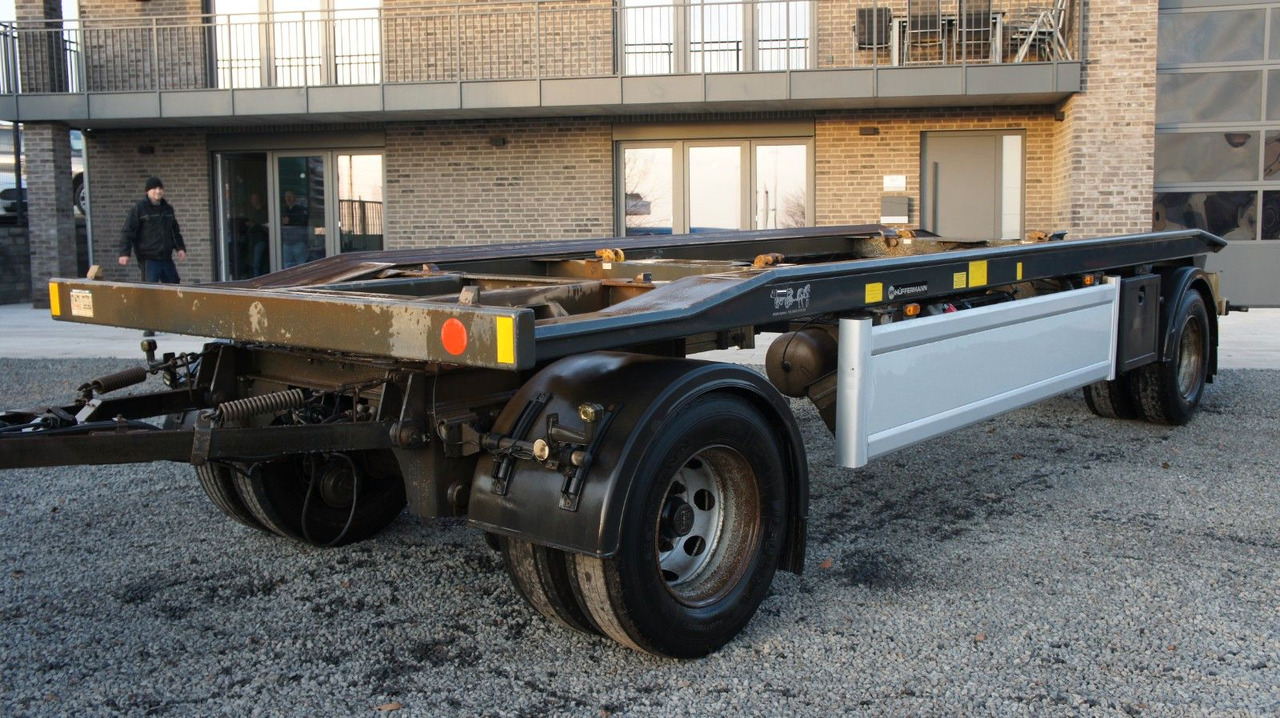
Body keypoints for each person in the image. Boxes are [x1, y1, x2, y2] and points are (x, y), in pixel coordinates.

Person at [118, 176, 186, 336]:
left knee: (174, 286)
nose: (158, 191)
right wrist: (124, 253)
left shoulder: (167, 209)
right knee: (149, 291)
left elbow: (174, 231)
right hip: (149, 258)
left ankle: (174, 321)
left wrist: (180, 248)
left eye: (160, 188)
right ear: (147, 191)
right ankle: (149, 325)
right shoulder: (139, 209)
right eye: (154, 188)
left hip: (166, 257)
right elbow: (128, 232)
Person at [281, 189, 310, 268]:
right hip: (287, 244)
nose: (288, 199)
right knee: (287, 267)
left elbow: (304, 222)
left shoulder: (301, 210)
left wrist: (290, 220)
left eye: (290, 196)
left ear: (294, 198)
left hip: (299, 243)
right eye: (286, 197)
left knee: (301, 267)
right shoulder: (283, 210)